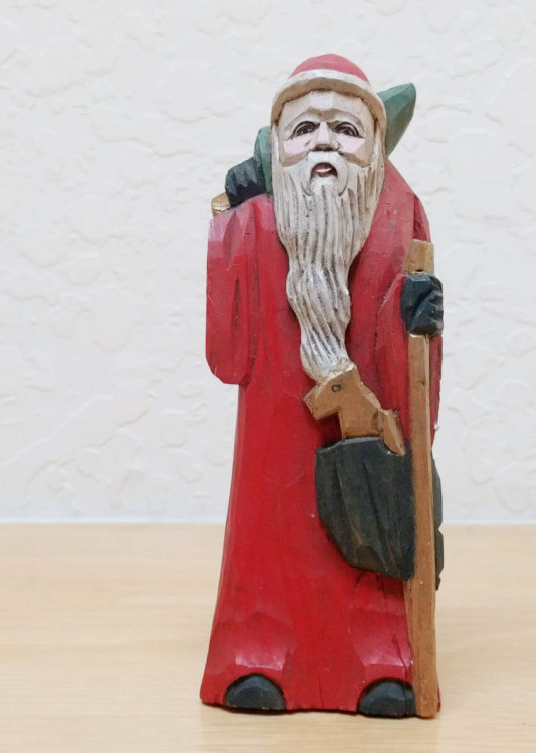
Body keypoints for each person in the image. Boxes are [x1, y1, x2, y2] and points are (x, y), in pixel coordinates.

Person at [200, 55, 443, 717]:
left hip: (368, 423)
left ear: (376, 143)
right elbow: (226, 354)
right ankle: (256, 655)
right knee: (269, 538)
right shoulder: (255, 219)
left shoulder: (400, 213)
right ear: (275, 144)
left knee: (367, 543)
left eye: (346, 128)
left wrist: (418, 316)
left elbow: (413, 348)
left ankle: (380, 661)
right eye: (305, 128)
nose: (325, 143)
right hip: (274, 429)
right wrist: (231, 215)